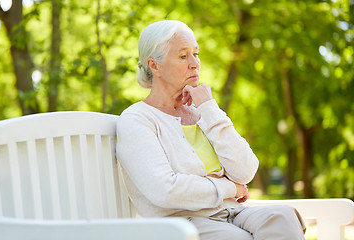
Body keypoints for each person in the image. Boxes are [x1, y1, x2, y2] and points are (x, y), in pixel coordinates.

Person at [116, 20, 306, 240]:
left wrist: (209, 109)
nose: (195, 63)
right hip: (181, 223)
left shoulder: (203, 113)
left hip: (231, 212)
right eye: (183, 56)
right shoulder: (137, 119)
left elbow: (246, 171)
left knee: (283, 216)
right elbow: (166, 190)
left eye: (196, 54)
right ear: (154, 65)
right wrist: (230, 189)